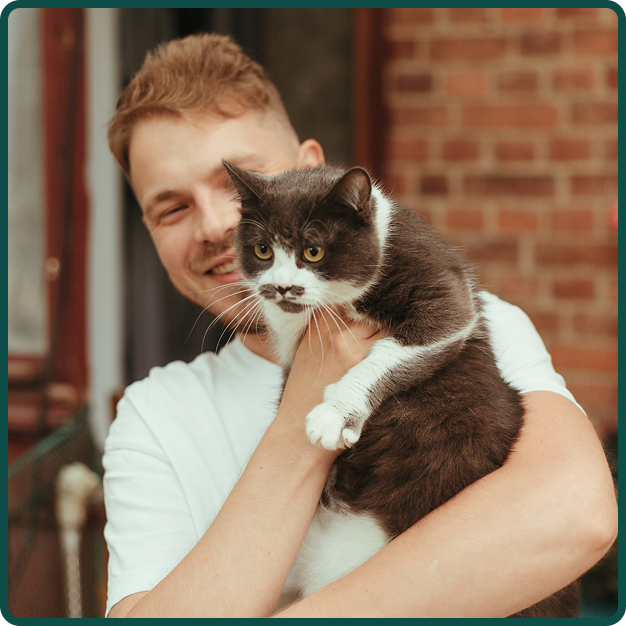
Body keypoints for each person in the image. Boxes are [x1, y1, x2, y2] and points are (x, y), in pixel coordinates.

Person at [102, 33, 617, 618]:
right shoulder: (154, 415)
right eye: (171, 207)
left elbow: (580, 514)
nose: (218, 225)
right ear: (146, 229)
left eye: (239, 186)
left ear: (313, 172)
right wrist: (304, 413)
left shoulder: (480, 321)